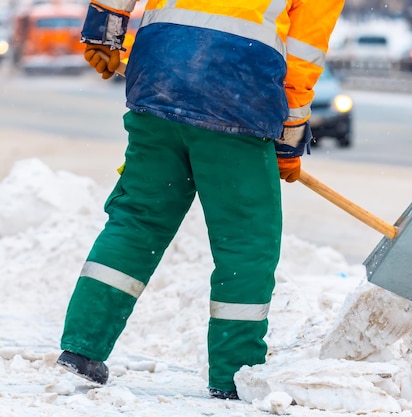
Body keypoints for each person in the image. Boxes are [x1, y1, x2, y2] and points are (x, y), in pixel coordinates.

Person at [56, 0, 344, 400]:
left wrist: (105, 29)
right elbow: (302, 51)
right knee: (245, 239)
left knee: (138, 218)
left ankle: (81, 348)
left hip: (160, 72)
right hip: (240, 92)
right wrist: (289, 135)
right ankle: (235, 374)